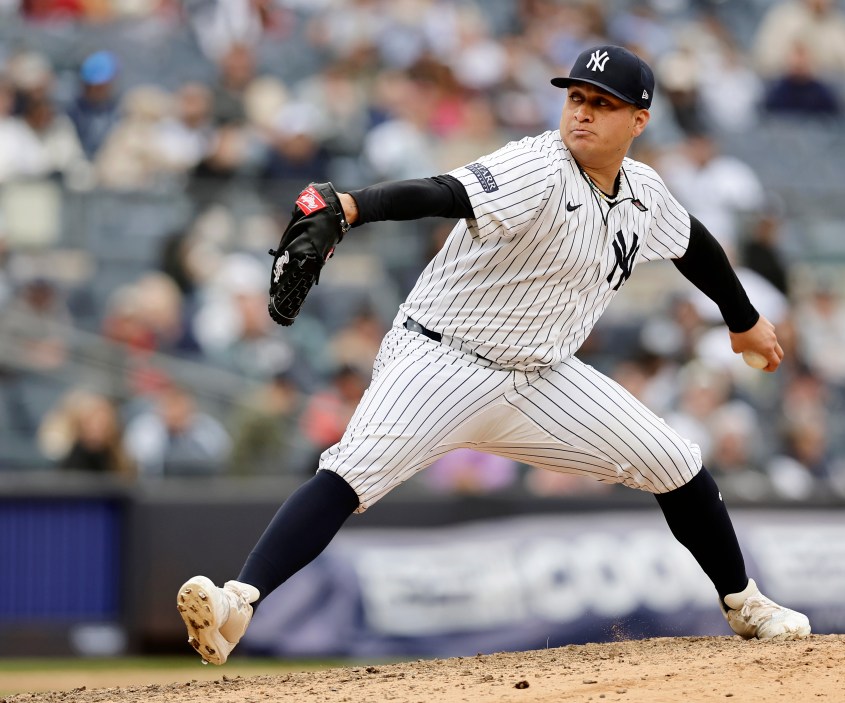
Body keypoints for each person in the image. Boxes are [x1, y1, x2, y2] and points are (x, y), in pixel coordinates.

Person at [176, 45, 811, 666]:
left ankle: (745, 604)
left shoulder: (643, 191)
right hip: (442, 360)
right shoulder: (536, 167)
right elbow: (443, 192)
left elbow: (692, 241)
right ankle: (239, 605)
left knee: (676, 461)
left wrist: (744, 320)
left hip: (543, 377)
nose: (582, 112)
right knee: (351, 472)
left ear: (638, 121)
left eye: (603, 104)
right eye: (577, 98)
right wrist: (349, 208)